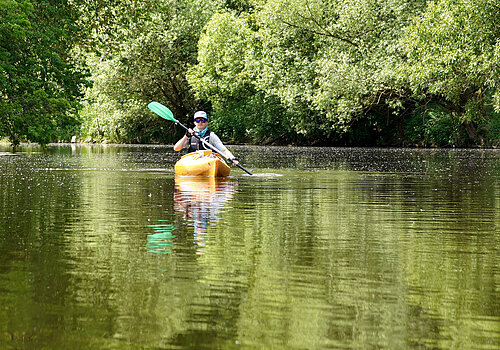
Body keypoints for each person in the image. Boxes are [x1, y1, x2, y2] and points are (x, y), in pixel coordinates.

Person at [173, 111, 239, 165]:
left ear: (207, 122)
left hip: (209, 160)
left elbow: (223, 150)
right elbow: (176, 148)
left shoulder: (211, 135)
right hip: (193, 161)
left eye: (203, 120)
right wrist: (186, 136)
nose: (200, 122)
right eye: (198, 120)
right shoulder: (190, 135)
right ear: (195, 122)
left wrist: (233, 158)